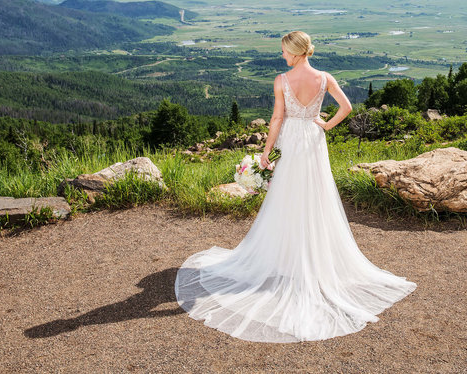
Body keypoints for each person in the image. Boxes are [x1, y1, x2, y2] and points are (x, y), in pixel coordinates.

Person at [175, 30, 416, 343]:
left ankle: (287, 257)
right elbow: (347, 108)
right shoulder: (325, 77)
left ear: (296, 52)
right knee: (315, 198)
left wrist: (265, 152)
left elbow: (276, 118)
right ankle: (312, 259)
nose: (282, 56)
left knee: (288, 199)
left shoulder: (281, 80)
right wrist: (326, 125)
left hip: (292, 139)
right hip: (314, 140)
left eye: (285, 52)